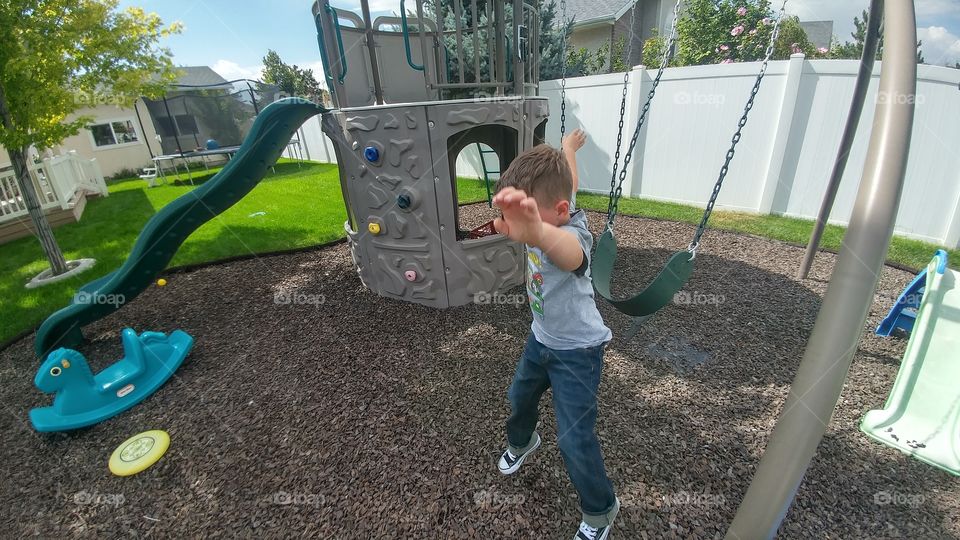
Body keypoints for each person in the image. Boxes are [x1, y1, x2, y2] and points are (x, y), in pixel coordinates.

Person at [492, 129, 619, 540]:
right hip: (541, 339)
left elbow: (570, 255)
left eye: (523, 219)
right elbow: (571, 184)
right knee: (519, 397)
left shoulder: (572, 234)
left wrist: (536, 232)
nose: (512, 227)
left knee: (573, 438)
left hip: (578, 353)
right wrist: (567, 149)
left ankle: (600, 510)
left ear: (559, 213)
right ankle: (523, 442)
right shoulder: (559, 206)